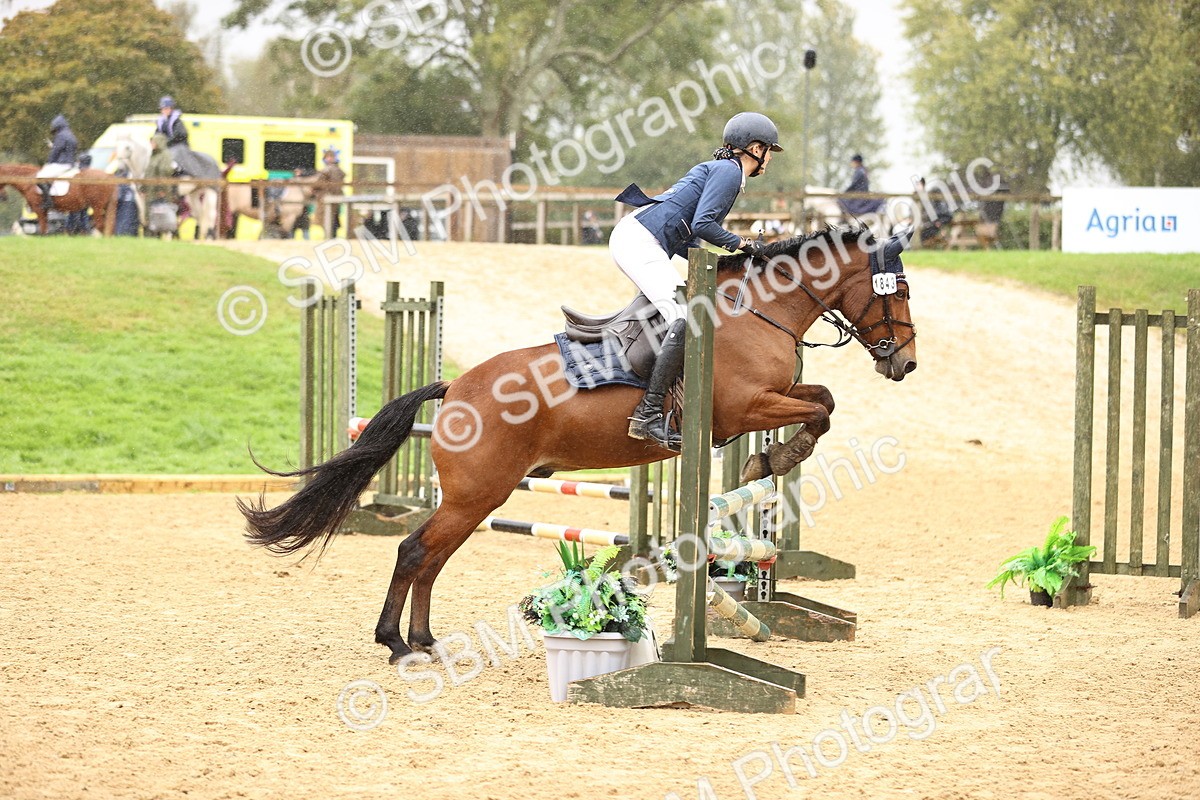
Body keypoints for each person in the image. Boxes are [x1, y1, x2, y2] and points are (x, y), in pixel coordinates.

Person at [611, 111, 782, 450]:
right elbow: (704, 224)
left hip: (644, 238)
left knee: (688, 312)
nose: (768, 160)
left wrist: (725, 265)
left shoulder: (722, 170)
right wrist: (745, 245)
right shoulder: (730, 173)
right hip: (641, 241)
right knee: (685, 317)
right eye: (768, 152)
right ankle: (646, 415)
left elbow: (690, 238)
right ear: (755, 148)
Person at [37, 114, 78, 211]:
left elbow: (55, 151)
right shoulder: (70, 134)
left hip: (62, 164)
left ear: (57, 127)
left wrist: (49, 162)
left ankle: (48, 201)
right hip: (71, 163)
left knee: (39, 177)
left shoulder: (61, 136)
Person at [317, 146, 346, 238]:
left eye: (330, 157)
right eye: (327, 157)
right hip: (333, 198)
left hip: (329, 198)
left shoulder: (329, 170)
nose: (328, 159)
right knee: (332, 219)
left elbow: (319, 183)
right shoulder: (335, 170)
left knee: (328, 219)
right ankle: (331, 236)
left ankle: (329, 236)